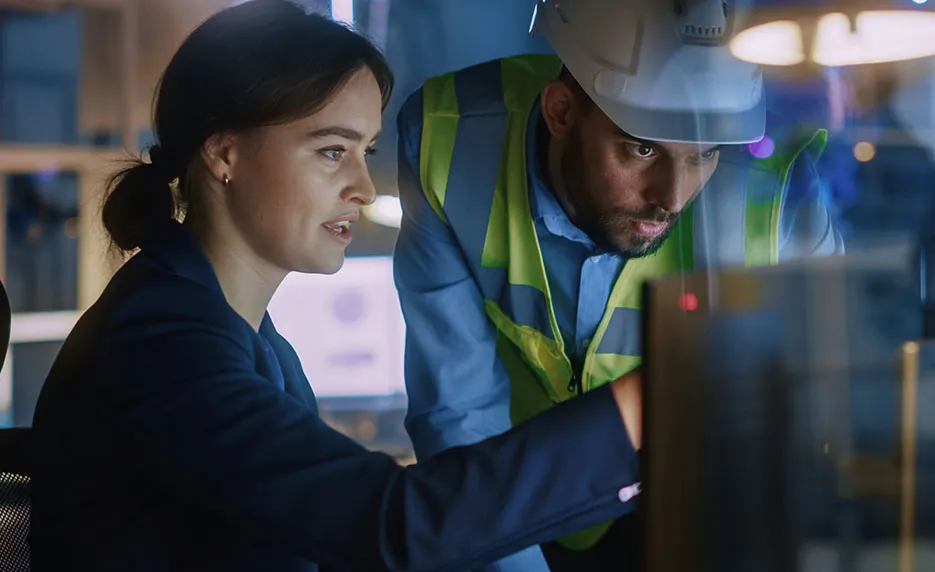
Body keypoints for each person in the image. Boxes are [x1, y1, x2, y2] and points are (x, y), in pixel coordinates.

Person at [28, 1, 647, 571]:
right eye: (331, 152)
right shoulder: (162, 343)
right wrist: (634, 414)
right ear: (223, 155)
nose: (364, 188)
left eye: (367, 151)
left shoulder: (247, 337)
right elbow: (392, 526)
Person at [393, 0, 845, 570]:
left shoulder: (780, 182)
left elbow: (827, 418)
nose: (673, 197)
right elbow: (456, 410)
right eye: (643, 147)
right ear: (560, 112)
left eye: (704, 153)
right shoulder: (447, 139)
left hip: (706, 508)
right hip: (512, 495)